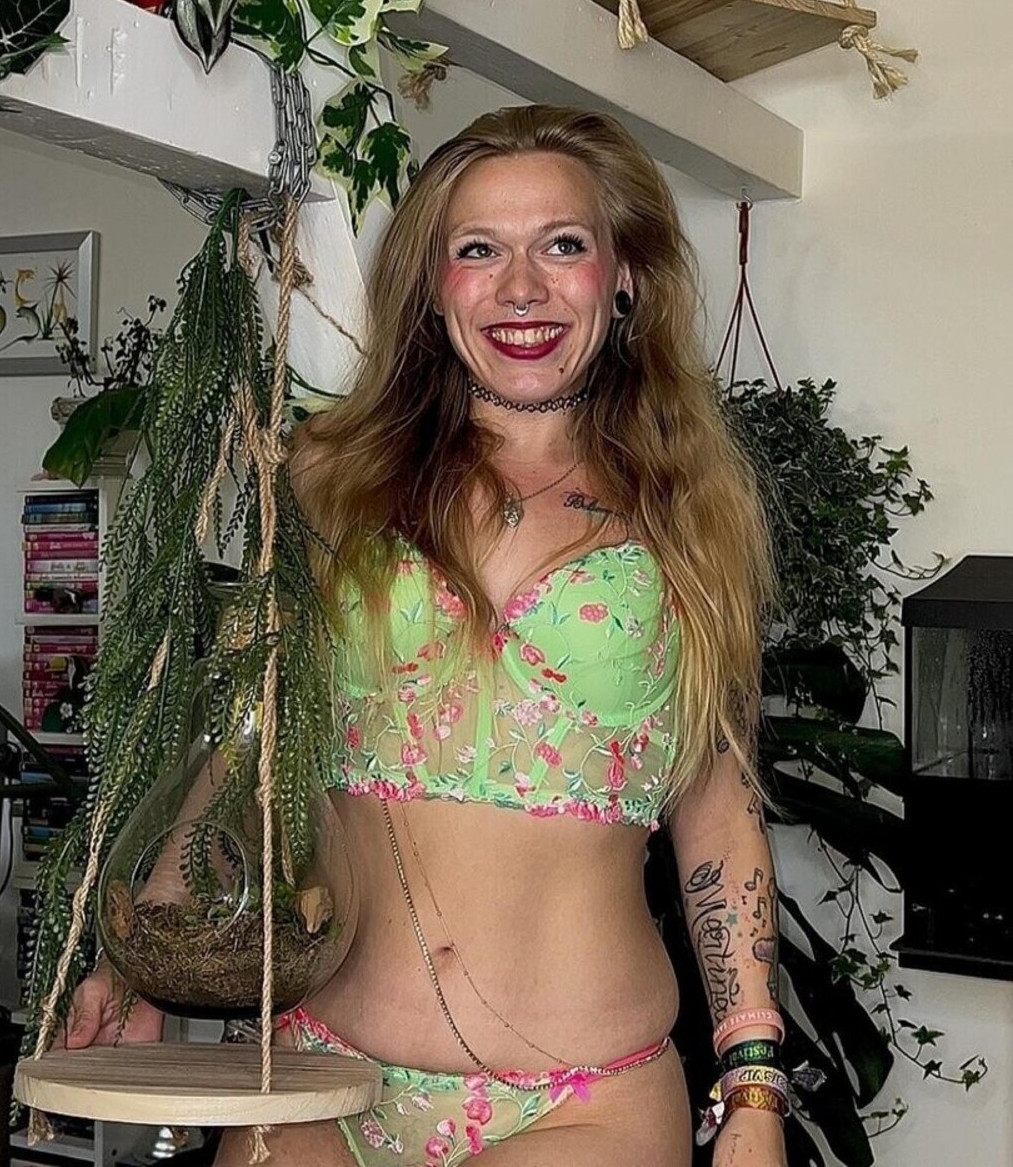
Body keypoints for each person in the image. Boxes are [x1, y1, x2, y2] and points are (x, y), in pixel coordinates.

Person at [66, 106, 786, 1167]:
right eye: (479, 250)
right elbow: (251, 736)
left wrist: (755, 1084)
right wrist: (148, 956)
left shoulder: (693, 516)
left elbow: (717, 808)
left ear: (625, 275)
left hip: (584, 1105)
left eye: (563, 246)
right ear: (433, 286)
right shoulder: (331, 477)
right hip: (314, 1072)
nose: (522, 288)